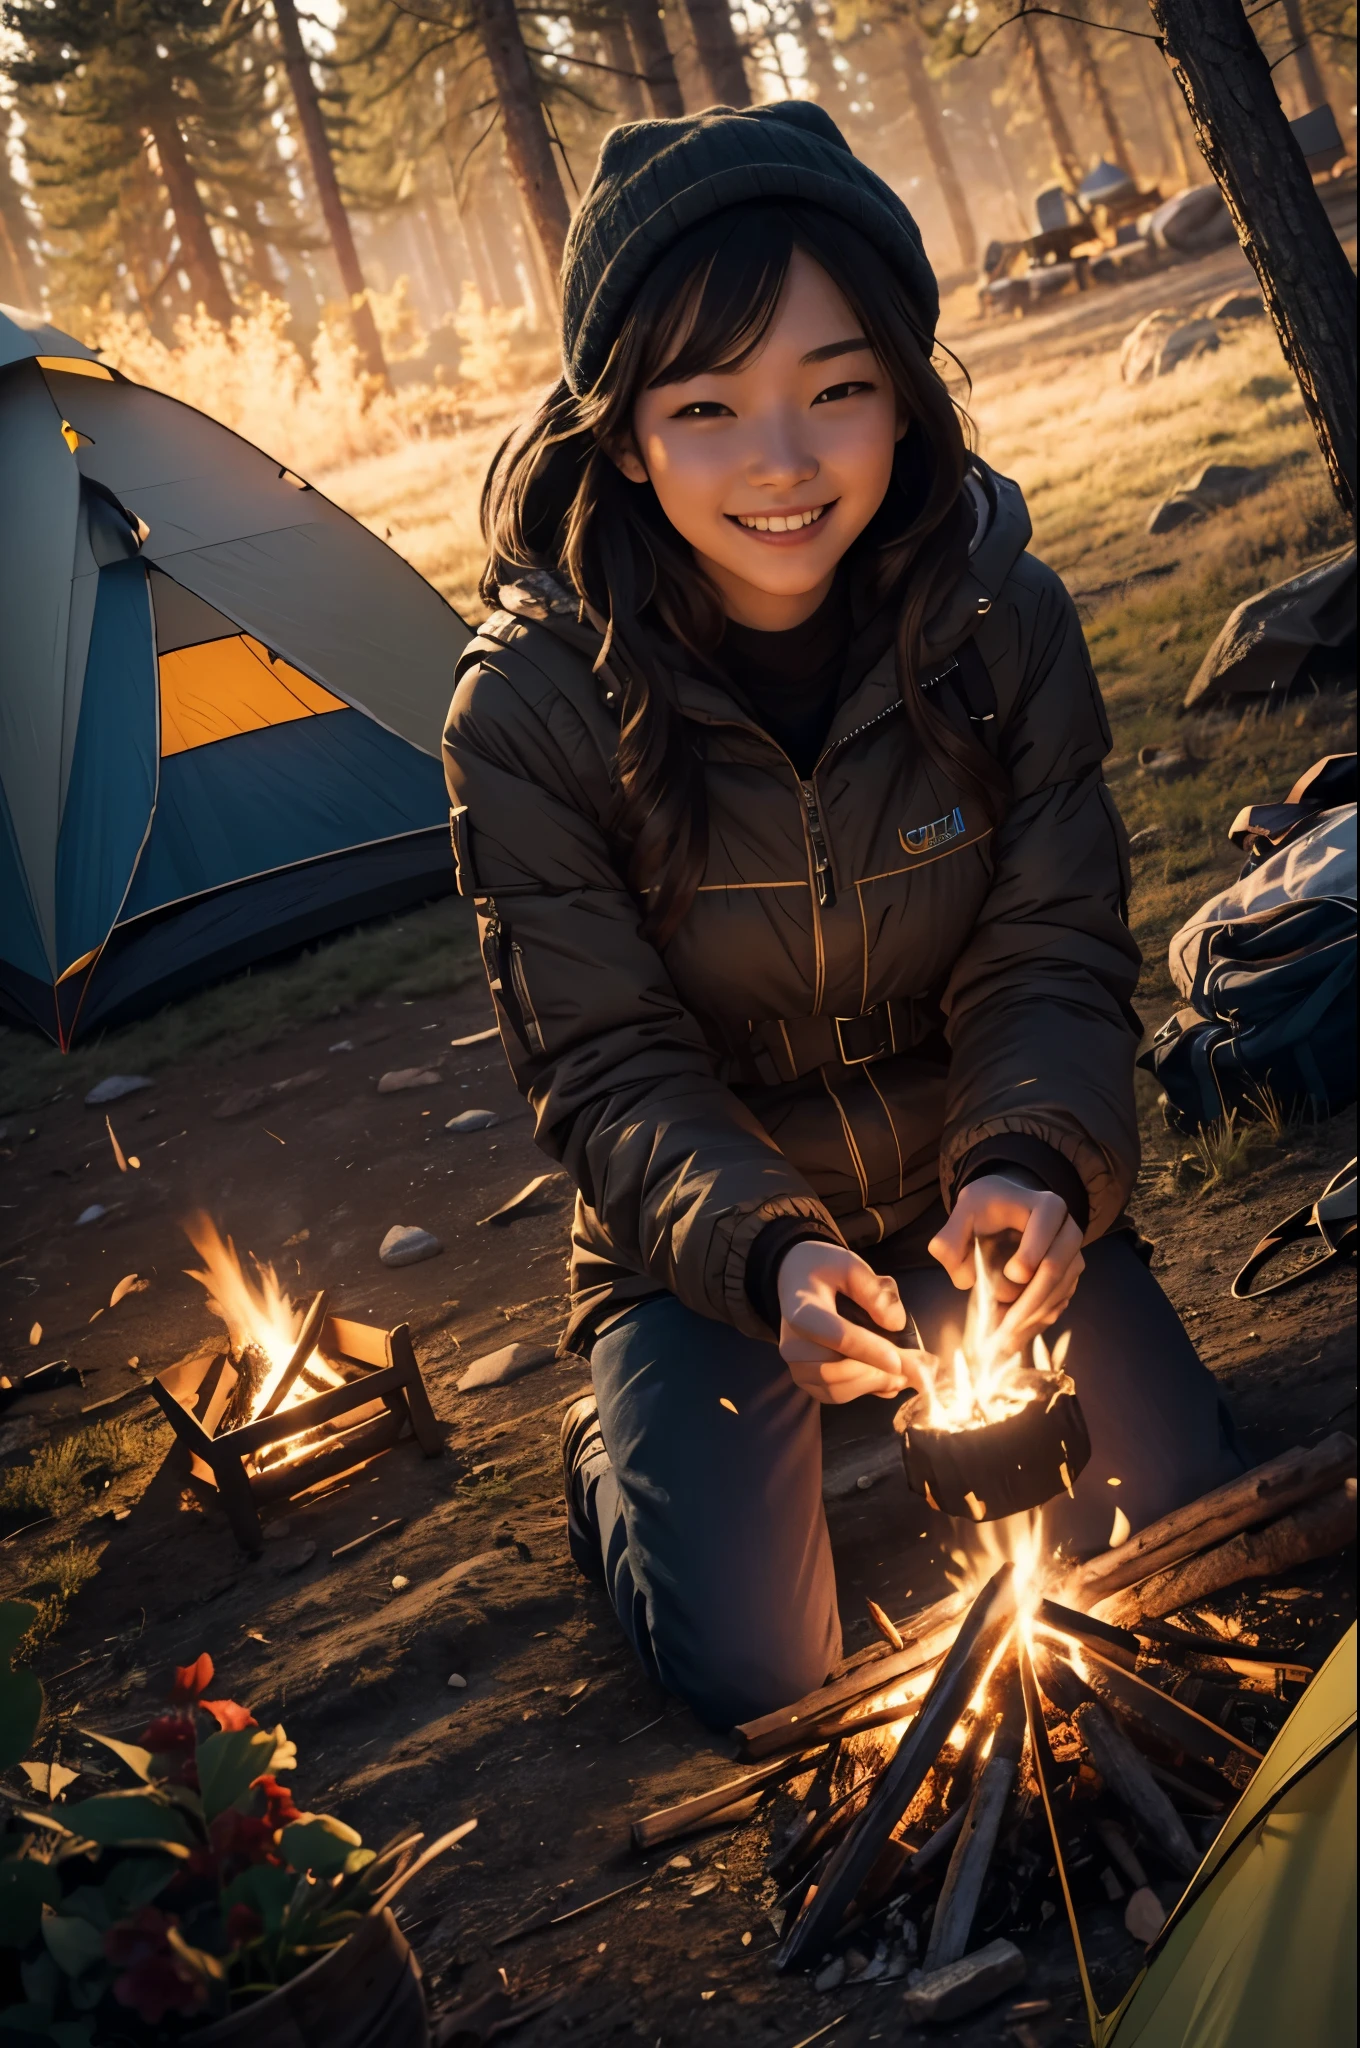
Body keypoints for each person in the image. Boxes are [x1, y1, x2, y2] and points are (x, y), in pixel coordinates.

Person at [443, 102, 1238, 1731]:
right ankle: (625, 1449)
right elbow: (606, 1067)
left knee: (1165, 1523)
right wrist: (769, 1252)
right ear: (624, 434)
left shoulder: (1000, 625)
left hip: (972, 1188)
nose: (785, 465)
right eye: (710, 407)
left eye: (838, 390)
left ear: (905, 391)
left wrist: (1028, 1159)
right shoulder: (526, 716)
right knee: (763, 1669)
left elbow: (1054, 947)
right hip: (719, 1252)